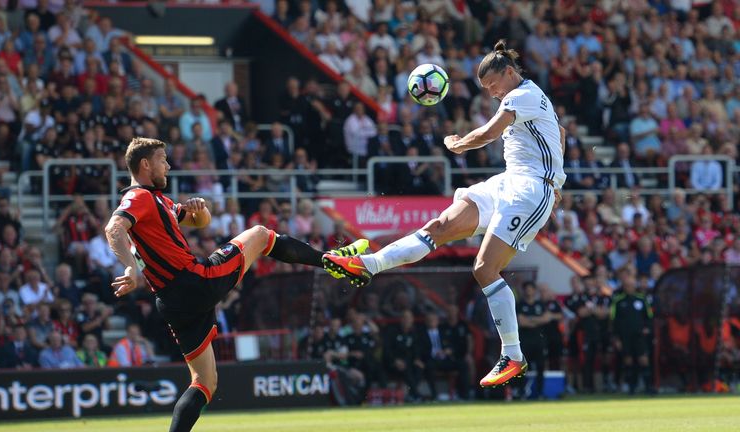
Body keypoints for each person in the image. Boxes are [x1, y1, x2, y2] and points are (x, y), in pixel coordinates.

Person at [323, 40, 566, 388]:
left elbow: (489, 131)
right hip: (509, 182)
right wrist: (559, 176)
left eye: (494, 87)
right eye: (487, 91)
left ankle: (513, 355)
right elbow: (560, 132)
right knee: (438, 226)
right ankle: (368, 265)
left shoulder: (522, 95)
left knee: (484, 268)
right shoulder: (527, 98)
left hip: (528, 191)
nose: (493, 94)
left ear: (510, 73)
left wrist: (460, 143)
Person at [104, 137, 367, 432]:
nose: (167, 165)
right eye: (163, 159)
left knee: (204, 382)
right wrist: (129, 265)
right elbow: (114, 227)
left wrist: (200, 209)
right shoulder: (139, 197)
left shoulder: (160, 201)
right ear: (145, 164)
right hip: (194, 282)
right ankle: (332, 261)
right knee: (260, 234)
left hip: (172, 302)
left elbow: (199, 222)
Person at [611, 271, 654, 395]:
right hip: (625, 336)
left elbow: (649, 316)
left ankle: (648, 386)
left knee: (643, 359)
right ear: (623, 286)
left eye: (631, 285)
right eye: (627, 285)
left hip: (640, 336)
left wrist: (647, 328)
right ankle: (631, 387)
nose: (629, 287)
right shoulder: (618, 301)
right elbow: (614, 321)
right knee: (628, 360)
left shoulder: (642, 299)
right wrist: (616, 338)